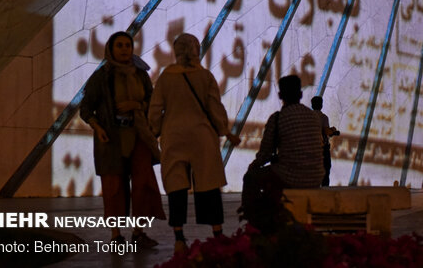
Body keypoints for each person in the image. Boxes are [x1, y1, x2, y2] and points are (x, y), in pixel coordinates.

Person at [148, 33, 240, 253]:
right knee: (208, 185)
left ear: (176, 51)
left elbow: (155, 109)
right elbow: (215, 107)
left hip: (174, 135)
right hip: (202, 137)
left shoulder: (166, 76)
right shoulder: (205, 76)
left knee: (176, 187)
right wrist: (225, 131)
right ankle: (217, 233)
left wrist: (156, 130)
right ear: (197, 50)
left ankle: (179, 237)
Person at [80, 31, 165, 248]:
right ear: (111, 49)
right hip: (112, 139)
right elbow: (86, 108)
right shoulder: (102, 76)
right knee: (114, 186)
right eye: (120, 45)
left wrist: (136, 106)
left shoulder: (140, 74)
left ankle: (138, 232)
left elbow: (152, 102)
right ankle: (116, 236)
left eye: (128, 45)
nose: (125, 49)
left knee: (142, 183)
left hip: (138, 135)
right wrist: (97, 127)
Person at [247, 75, 324, 188]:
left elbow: (265, 154)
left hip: (291, 177)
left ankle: (251, 206)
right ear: (301, 94)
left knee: (250, 178)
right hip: (316, 177)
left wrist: (253, 166)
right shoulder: (313, 117)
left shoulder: (278, 118)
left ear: (280, 95)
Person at [311, 96, 339, 186]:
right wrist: (333, 131)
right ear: (321, 105)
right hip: (322, 149)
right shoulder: (323, 117)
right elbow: (326, 131)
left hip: (311, 148)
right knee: (325, 171)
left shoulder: (308, 116)